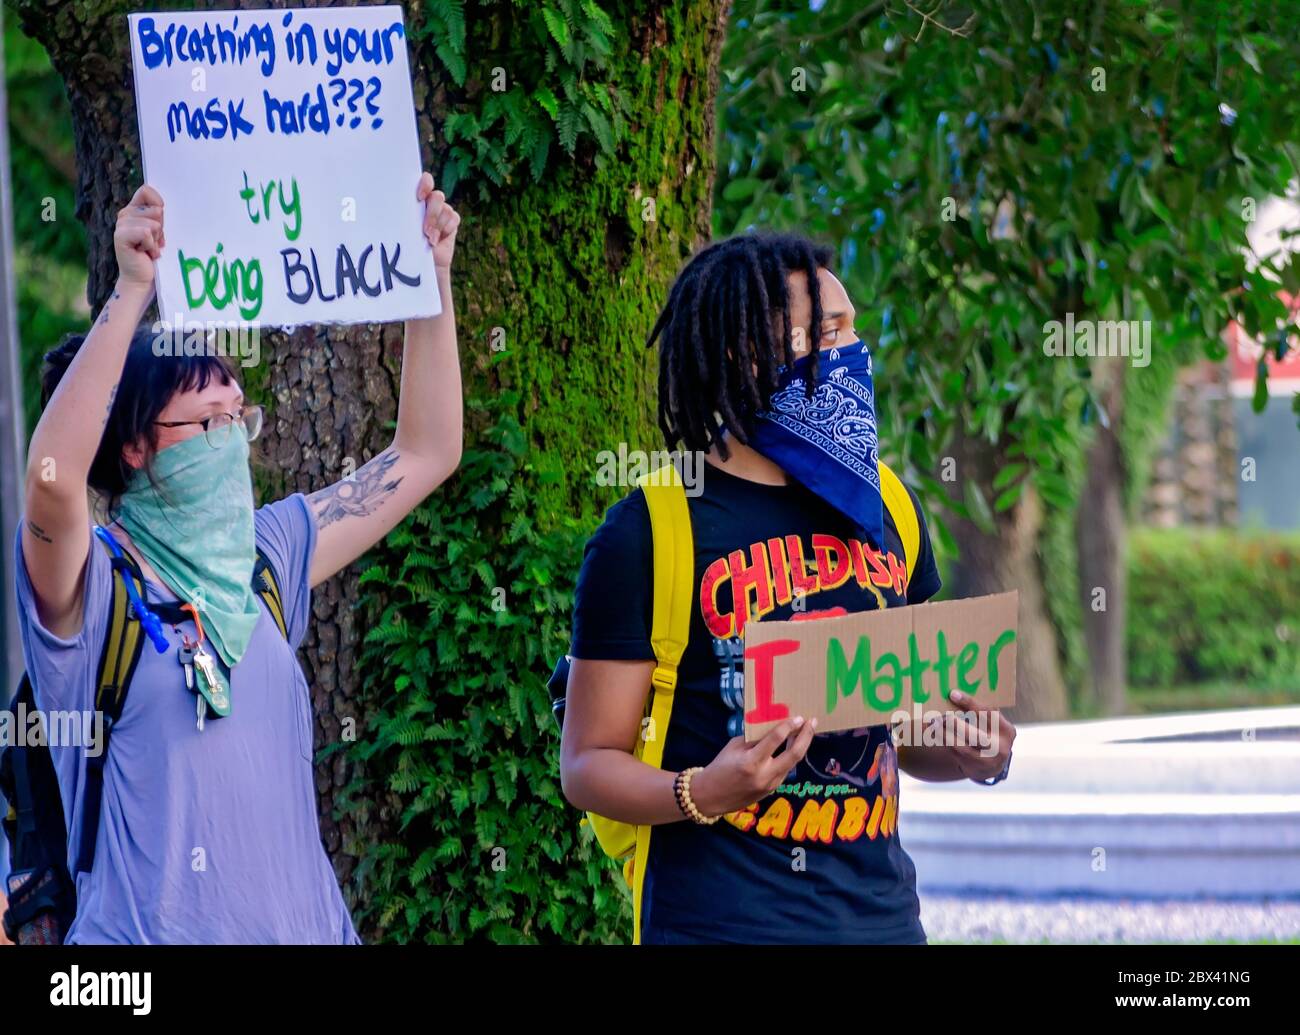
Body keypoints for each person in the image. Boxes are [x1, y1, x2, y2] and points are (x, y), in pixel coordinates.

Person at [12, 173, 462, 944]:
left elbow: (426, 451)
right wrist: (131, 292)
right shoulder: (93, 596)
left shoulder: (266, 555)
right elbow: (51, 480)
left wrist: (434, 278)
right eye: (206, 423)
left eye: (237, 417)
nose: (231, 442)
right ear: (134, 448)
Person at [559, 232, 1015, 945]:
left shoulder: (888, 505)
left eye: (853, 328)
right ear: (748, 354)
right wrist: (702, 789)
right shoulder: (651, 530)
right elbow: (586, 764)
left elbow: (902, 724)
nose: (854, 350)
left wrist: (972, 752)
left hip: (884, 926)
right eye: (829, 333)